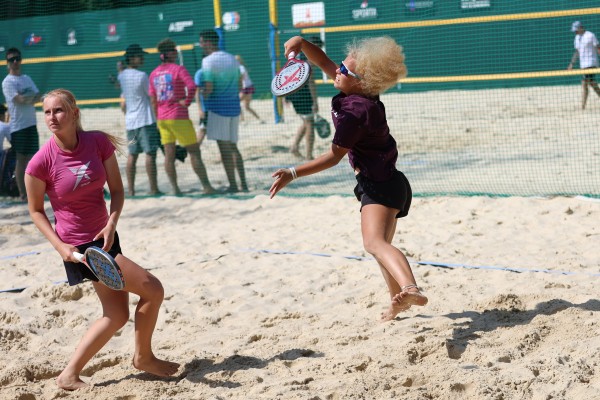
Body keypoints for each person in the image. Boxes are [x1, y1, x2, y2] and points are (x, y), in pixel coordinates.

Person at [24, 89, 180, 390]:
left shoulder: (97, 142)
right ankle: (143, 357)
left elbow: (117, 192)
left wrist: (111, 224)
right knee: (153, 289)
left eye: (58, 110)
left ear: (74, 113)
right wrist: (60, 247)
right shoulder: (40, 162)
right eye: (47, 112)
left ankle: (69, 375)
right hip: (81, 248)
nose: (52, 117)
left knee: (116, 314)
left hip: (106, 236)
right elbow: (35, 211)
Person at [270, 36, 428, 322]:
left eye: (344, 70)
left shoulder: (356, 113)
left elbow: (333, 157)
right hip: (389, 183)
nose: (337, 71)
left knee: (374, 244)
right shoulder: (361, 92)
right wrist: (301, 43)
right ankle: (397, 304)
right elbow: (322, 61)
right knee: (380, 249)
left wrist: (292, 173)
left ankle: (410, 288)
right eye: (341, 66)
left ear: (361, 81)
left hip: (379, 186)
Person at [149, 38, 215, 195]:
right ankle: (207, 187)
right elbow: (191, 86)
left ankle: (175, 189)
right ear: (171, 53)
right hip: (178, 116)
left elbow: (153, 99)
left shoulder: (153, 73)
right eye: (174, 51)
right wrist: (187, 101)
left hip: (162, 118)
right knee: (194, 152)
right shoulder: (178, 69)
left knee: (169, 155)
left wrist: (157, 119)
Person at [199, 29, 248, 192]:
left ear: (207, 42)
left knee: (224, 150)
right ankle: (243, 184)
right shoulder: (232, 59)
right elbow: (240, 85)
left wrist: (202, 93)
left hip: (218, 110)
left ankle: (233, 185)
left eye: (201, 42)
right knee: (234, 148)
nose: (200, 45)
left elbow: (209, 88)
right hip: (234, 108)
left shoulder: (207, 61)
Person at [118, 44, 162, 196]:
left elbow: (121, 82)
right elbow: (151, 96)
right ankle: (154, 189)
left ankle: (131, 190)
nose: (142, 58)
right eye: (139, 56)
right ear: (131, 58)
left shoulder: (122, 75)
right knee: (150, 153)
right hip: (145, 118)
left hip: (130, 121)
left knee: (132, 155)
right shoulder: (142, 75)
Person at [2, 47, 41, 201]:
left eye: (17, 58)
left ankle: (34, 191)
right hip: (18, 126)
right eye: (12, 59)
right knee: (21, 160)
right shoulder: (7, 82)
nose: (15, 62)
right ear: (7, 62)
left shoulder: (26, 78)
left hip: (31, 123)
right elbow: (20, 100)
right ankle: (23, 194)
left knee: (34, 159)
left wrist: (27, 98)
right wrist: (29, 98)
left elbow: (38, 96)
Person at [286, 36, 323, 161]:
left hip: (294, 94)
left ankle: (294, 147)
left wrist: (286, 97)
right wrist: (315, 102)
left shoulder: (296, 56)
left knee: (306, 122)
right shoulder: (308, 59)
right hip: (303, 95)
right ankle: (309, 155)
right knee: (310, 124)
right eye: (319, 47)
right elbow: (311, 82)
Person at [567, 21, 600, 110]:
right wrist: (571, 64)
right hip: (583, 65)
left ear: (581, 28)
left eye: (576, 30)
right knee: (592, 83)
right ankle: (583, 106)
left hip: (591, 63)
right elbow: (577, 52)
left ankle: (582, 106)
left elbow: (598, 48)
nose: (575, 32)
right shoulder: (577, 38)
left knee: (584, 83)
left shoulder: (590, 35)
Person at [235, 55, 263, 123]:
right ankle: (259, 119)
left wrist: (239, 85)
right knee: (247, 107)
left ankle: (242, 120)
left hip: (246, 87)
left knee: (236, 102)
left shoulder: (240, 67)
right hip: (249, 86)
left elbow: (242, 77)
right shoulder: (241, 67)